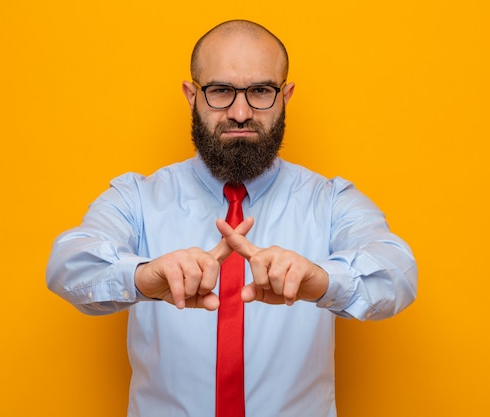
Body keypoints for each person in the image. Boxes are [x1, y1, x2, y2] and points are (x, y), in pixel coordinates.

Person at [46, 19, 417, 417]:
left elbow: (398, 272)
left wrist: (322, 281)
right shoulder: (137, 198)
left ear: (286, 97)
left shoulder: (328, 201)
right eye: (220, 91)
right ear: (192, 96)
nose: (240, 113)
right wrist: (144, 276)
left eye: (260, 91)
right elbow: (68, 264)